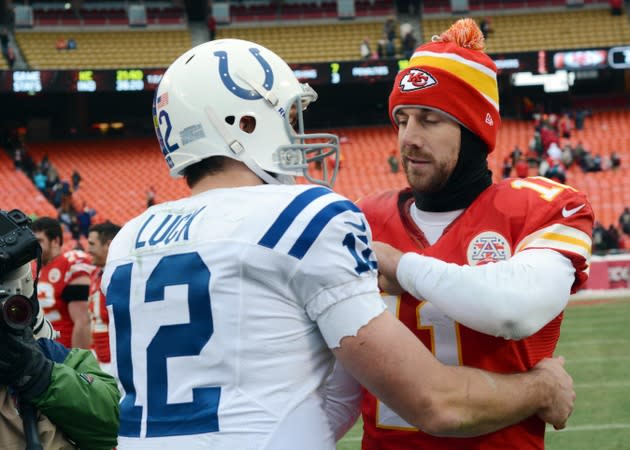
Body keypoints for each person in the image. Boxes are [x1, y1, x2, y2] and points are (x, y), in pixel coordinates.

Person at [102, 38, 575, 450]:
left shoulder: (128, 240)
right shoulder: (305, 216)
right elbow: (435, 403)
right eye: (286, 117)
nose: (408, 137)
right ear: (243, 123)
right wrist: (541, 389)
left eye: (428, 119)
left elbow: (329, 392)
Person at [357, 19, 594, 450]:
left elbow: (511, 311)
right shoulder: (362, 218)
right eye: (402, 120)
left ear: (473, 130)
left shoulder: (541, 207)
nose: (409, 138)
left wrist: (398, 264)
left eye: (429, 120)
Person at [0, 221, 120, 449]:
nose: (91, 248)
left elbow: (109, 423)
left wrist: (40, 374)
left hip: (51, 349)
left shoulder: (49, 352)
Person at [32, 217, 94, 349]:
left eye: (39, 241)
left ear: (55, 241)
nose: (34, 247)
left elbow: (83, 320)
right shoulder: (36, 270)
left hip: (67, 352)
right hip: (47, 352)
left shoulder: (69, 263)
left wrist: (77, 362)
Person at [86, 221, 121, 373]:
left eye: (92, 244)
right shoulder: (96, 274)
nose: (88, 250)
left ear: (108, 244)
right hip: (99, 356)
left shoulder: (119, 275)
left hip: (116, 358)